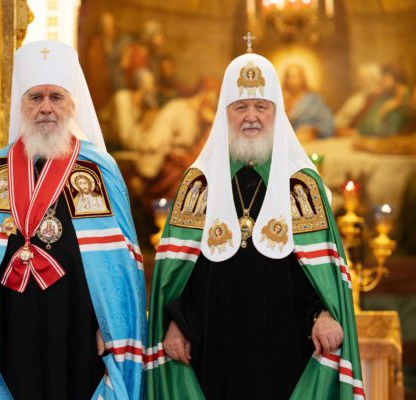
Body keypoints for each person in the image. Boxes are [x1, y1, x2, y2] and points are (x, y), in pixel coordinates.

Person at [0, 41, 146, 399]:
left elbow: (121, 267)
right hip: (7, 323)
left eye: (56, 97)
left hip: (77, 322)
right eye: (35, 98)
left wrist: (111, 326)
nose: (46, 108)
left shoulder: (99, 169)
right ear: (21, 105)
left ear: (71, 105)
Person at [146, 37, 364, 399]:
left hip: (288, 347)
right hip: (214, 346)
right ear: (224, 113)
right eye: (240, 107)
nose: (251, 116)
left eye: (261, 106)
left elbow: (317, 271)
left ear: (277, 112)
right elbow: (184, 272)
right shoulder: (199, 183)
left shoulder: (301, 184)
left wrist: (324, 315)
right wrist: (177, 324)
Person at [283, 63, 335, 140]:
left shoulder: (314, 100)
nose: (294, 80)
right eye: (290, 77)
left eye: (297, 76)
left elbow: (327, 123)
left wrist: (313, 130)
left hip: (309, 140)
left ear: (303, 78)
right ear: (286, 79)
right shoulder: (280, 98)